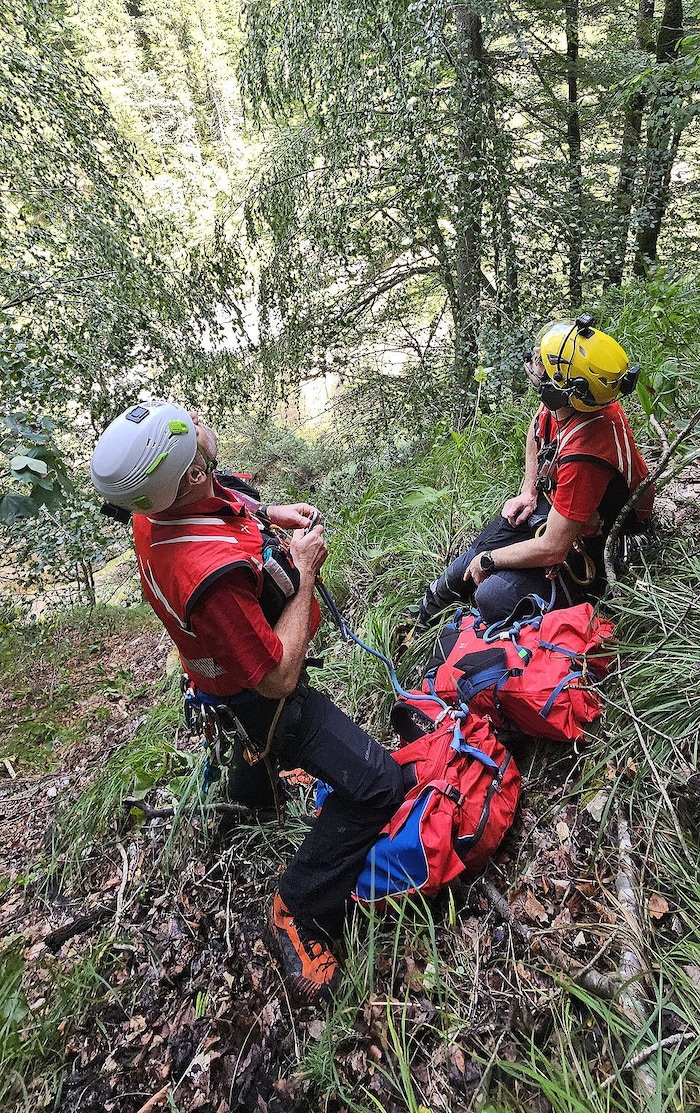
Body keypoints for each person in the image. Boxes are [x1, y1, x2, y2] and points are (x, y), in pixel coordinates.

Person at [90, 400, 408, 1005]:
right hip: (257, 697)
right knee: (378, 785)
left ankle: (248, 812)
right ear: (187, 476)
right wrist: (306, 571)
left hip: (214, 683)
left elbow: (213, 498)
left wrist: (267, 512)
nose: (206, 434)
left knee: (251, 750)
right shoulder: (211, 580)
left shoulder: (151, 510)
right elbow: (279, 677)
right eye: (197, 446)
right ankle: (297, 906)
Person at [417, 315, 655, 627]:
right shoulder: (573, 402)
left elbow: (554, 548)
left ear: (566, 389)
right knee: (475, 552)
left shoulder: (587, 455)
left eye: (544, 364)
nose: (536, 364)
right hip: (561, 509)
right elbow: (538, 426)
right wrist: (529, 491)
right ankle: (421, 617)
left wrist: (490, 561)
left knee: (494, 596)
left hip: (600, 539)